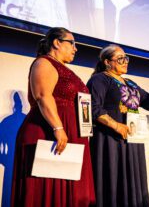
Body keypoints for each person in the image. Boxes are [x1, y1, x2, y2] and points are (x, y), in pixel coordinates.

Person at [10, 27, 95, 207]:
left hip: (72, 133)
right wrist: (58, 128)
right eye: (72, 43)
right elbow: (43, 96)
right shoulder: (44, 63)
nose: (76, 48)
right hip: (49, 131)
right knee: (47, 188)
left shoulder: (65, 69)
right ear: (57, 43)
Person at [87, 44, 149, 207]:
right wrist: (116, 125)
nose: (125, 61)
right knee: (113, 179)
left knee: (134, 181)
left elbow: (148, 100)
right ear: (107, 62)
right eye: (120, 59)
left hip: (132, 140)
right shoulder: (99, 80)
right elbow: (93, 107)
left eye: (126, 58)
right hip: (110, 140)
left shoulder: (130, 83)